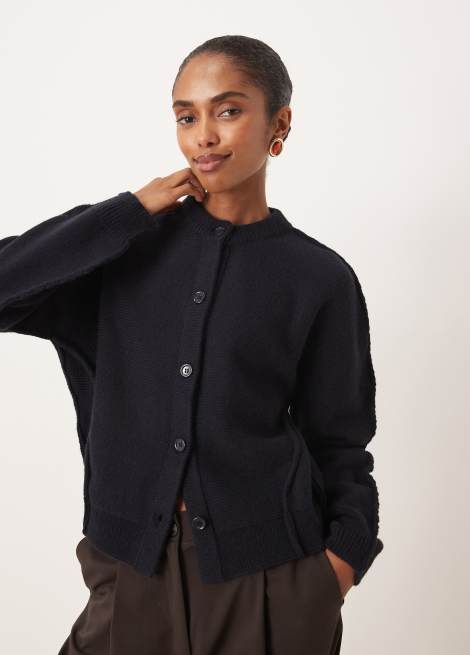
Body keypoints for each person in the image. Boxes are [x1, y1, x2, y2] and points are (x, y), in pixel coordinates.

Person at [0, 35, 383, 654]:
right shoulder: (122, 252)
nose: (204, 135)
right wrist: (127, 211)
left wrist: (342, 561)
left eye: (228, 111)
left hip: (271, 579)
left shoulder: (318, 277)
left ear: (279, 124)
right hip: (129, 567)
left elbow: (340, 440)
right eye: (186, 116)